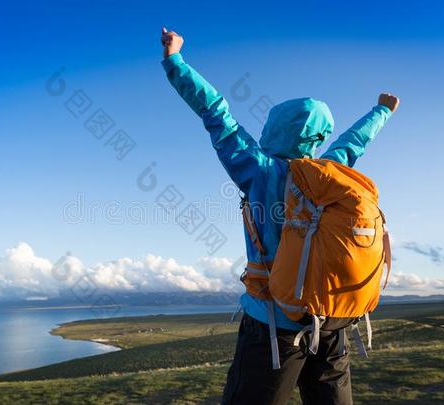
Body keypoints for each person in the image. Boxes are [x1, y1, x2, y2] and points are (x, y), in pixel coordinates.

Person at [160, 28, 400, 405]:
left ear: (275, 127)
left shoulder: (257, 169)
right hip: (333, 323)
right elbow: (353, 143)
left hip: (273, 327)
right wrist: (381, 110)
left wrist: (175, 62)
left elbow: (215, 111)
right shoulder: (330, 173)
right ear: (317, 137)